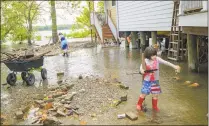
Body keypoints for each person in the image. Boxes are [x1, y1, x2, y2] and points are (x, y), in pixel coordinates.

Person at [137, 46, 181, 112]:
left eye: (155, 54)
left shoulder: (157, 59)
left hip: (155, 81)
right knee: (144, 93)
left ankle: (154, 107)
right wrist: (142, 71)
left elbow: (166, 62)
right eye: (152, 55)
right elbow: (141, 68)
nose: (154, 56)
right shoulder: (145, 61)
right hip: (147, 81)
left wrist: (174, 66)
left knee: (155, 94)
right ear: (148, 56)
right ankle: (139, 104)